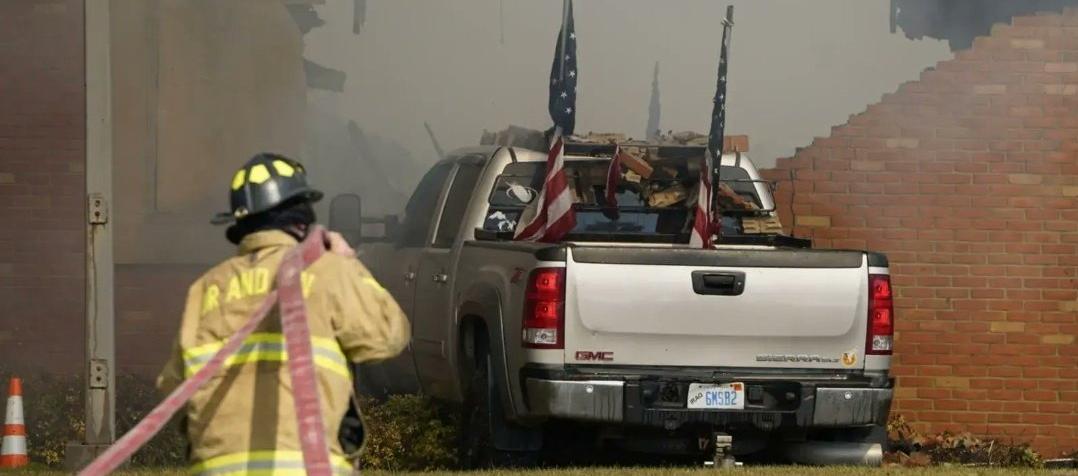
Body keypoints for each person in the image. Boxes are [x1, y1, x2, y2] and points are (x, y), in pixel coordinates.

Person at [157, 152, 409, 474]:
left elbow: (174, 391)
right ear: (302, 220)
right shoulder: (327, 270)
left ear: (241, 226)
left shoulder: (206, 289)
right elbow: (387, 335)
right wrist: (349, 262)